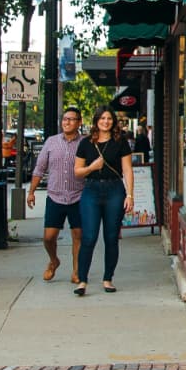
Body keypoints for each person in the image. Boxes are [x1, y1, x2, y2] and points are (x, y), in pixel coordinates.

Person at [74, 111, 136, 295]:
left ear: (113, 122)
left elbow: (127, 169)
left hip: (115, 190)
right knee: (89, 236)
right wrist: (92, 167)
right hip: (91, 190)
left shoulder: (120, 142)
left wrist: (130, 195)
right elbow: (77, 171)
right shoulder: (86, 143)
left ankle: (108, 279)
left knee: (111, 237)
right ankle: (82, 280)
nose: (106, 121)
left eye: (109, 119)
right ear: (96, 121)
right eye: (102, 118)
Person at [24, 106, 87, 284]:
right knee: (49, 237)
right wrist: (31, 192)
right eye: (65, 119)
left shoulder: (85, 143)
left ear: (79, 122)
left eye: (71, 119)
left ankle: (76, 272)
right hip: (55, 196)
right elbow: (40, 168)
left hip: (79, 196)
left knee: (78, 235)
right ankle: (54, 260)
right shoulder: (51, 142)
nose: (67, 122)